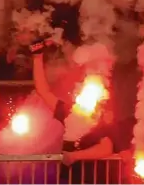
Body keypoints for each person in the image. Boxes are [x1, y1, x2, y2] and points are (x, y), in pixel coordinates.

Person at [29, 39, 116, 182]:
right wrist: (37, 58)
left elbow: (106, 148)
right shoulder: (69, 111)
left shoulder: (101, 120)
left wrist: (74, 156)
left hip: (93, 178)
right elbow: (43, 91)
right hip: (69, 178)